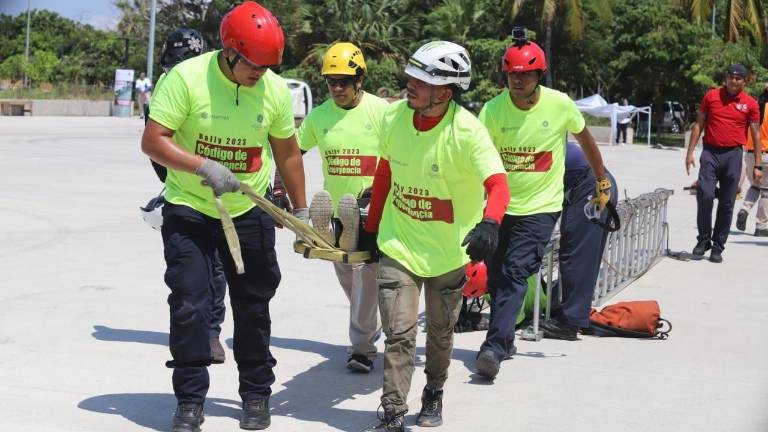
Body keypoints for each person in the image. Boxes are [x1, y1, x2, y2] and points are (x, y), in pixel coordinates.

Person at [140, 2, 308, 431]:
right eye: (254, 63)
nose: (261, 73)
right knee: (190, 307)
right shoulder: (187, 78)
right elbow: (153, 141)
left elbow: (287, 153)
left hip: (248, 209)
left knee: (253, 305)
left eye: (269, 65)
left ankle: (255, 394)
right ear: (229, 51)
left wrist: (301, 210)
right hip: (190, 210)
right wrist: (203, 166)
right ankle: (190, 401)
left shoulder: (270, 89)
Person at [363, 41, 509, 431]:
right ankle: (392, 413)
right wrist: (373, 230)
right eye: (410, 77)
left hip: (449, 253)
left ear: (444, 92)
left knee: (441, 334)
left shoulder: (467, 131)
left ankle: (434, 391)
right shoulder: (394, 118)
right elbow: (385, 174)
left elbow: (498, 185)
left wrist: (490, 223)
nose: (409, 84)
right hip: (400, 245)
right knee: (399, 333)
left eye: (420, 81)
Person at [474, 29, 608, 379]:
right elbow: (476, 159)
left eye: (525, 74)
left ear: (539, 75)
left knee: (517, 272)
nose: (517, 81)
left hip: (541, 207)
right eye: (512, 74)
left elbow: (587, 140)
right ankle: (506, 337)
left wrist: (601, 179)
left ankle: (494, 347)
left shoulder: (559, 104)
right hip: (501, 206)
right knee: (496, 274)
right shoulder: (491, 110)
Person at [297, 42, 388, 372]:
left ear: (359, 79)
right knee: (349, 278)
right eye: (331, 81)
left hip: (373, 212)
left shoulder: (381, 112)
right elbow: (292, 152)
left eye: (344, 81)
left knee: (366, 278)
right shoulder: (319, 116)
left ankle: (361, 347)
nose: (337, 88)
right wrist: (276, 183)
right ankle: (369, 328)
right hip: (336, 215)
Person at [139, 28, 228, 365]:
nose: (179, 69)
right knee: (187, 276)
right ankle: (193, 335)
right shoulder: (166, 86)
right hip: (182, 194)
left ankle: (211, 333)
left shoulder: (216, 83)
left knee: (217, 267)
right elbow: (155, 147)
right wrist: (173, 182)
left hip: (219, 189)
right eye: (174, 63)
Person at [540, 143, 618, 340]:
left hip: (591, 187)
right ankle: (569, 312)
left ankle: (570, 322)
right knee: (576, 252)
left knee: (576, 255)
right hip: (588, 185)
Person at [685, 63, 762, 262]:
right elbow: (699, 124)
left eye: (738, 78)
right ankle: (703, 240)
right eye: (731, 77)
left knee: (727, 203)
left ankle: (718, 246)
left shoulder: (751, 104)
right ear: (725, 79)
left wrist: (758, 166)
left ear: (745, 81)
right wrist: (690, 152)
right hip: (710, 152)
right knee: (705, 195)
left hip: (733, 155)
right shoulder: (711, 97)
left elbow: (755, 134)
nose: (734, 81)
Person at [735, 107, 768, 237]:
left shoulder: (753, 108)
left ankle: (745, 209)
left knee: (755, 185)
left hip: (749, 154)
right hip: (765, 154)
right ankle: (761, 226)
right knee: (766, 191)